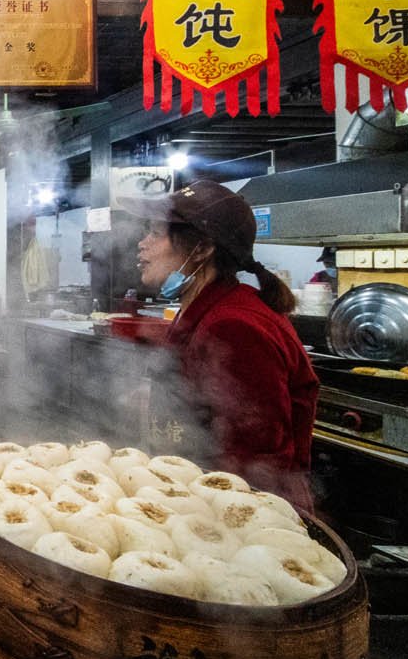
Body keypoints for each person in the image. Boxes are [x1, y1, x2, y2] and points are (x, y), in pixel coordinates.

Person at [121, 180, 318, 511]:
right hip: (203, 501)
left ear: (202, 249)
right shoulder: (207, 309)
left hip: (242, 520)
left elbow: (255, 464)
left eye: (155, 233)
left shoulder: (233, 326)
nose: (142, 244)